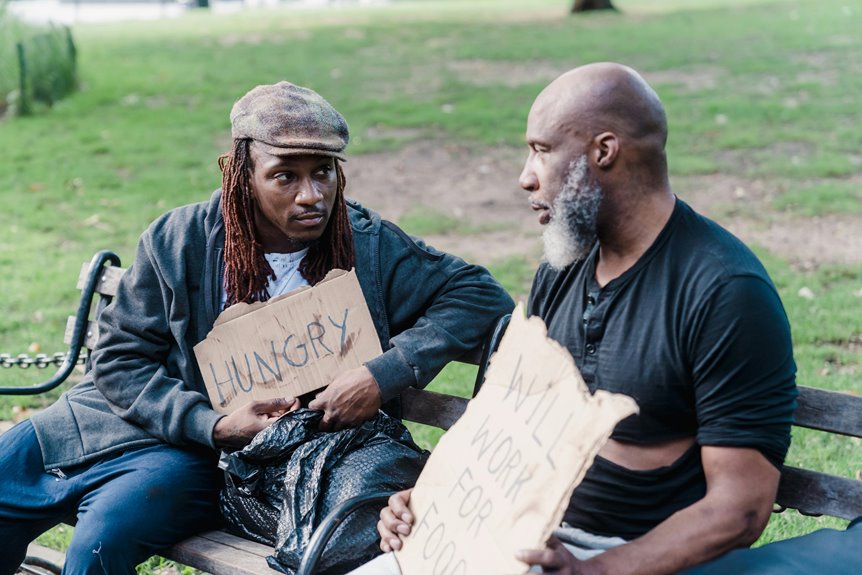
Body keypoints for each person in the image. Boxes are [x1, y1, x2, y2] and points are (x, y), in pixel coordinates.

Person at [0, 81, 514, 574]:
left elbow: (478, 294)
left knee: (99, 543)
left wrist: (385, 372)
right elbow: (119, 358)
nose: (311, 194)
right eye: (285, 176)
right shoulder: (180, 239)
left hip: (200, 461)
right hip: (120, 421)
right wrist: (212, 422)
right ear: (243, 173)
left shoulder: (366, 244)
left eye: (324, 172)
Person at [354, 62, 797, 575]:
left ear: (603, 152)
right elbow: (510, 428)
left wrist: (600, 569)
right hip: (513, 538)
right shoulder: (561, 272)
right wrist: (434, 500)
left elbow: (739, 510)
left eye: (541, 150)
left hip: (623, 555)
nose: (525, 176)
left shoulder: (725, 292)